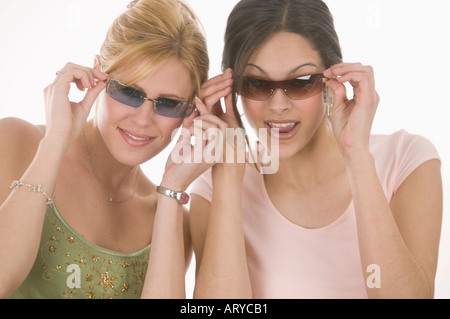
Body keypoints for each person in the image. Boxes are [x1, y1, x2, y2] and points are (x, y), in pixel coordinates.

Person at [190, 0, 443, 298]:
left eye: (301, 83)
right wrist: (230, 178)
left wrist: (357, 155)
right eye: (257, 84)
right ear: (230, 88)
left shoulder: (406, 160)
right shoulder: (213, 188)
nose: (279, 105)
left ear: (332, 80)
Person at [0, 0, 218, 299]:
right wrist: (54, 143)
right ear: (98, 73)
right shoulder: (15, 143)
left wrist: (171, 188)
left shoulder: (172, 218)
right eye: (129, 92)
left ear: (191, 113)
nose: (143, 119)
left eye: (169, 103)